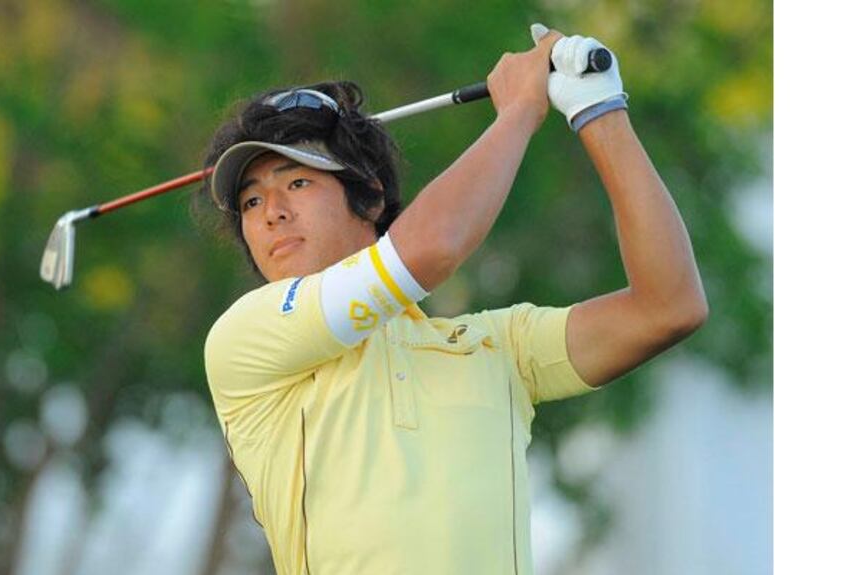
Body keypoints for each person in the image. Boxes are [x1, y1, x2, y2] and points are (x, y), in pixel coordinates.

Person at [199, 23, 707, 575]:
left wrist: (598, 109)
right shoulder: (243, 339)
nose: (271, 212)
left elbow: (669, 307)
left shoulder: (497, 348)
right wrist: (519, 111)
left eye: (297, 184)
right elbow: (431, 249)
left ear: (368, 196)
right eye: (250, 201)